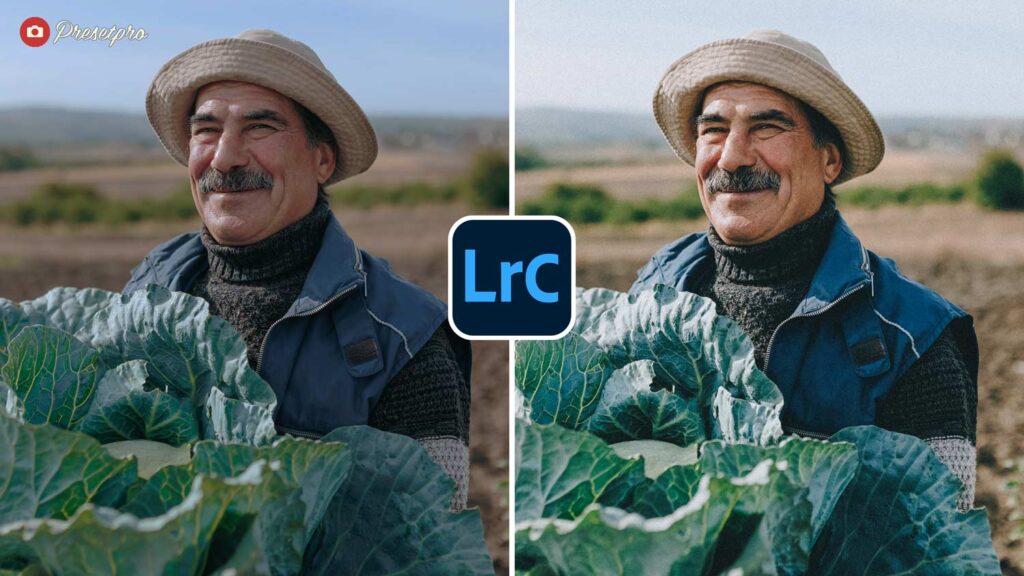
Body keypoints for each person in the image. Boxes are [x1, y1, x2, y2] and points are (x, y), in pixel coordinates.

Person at [124, 29, 472, 509]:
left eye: (260, 127)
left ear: (322, 159)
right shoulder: (149, 289)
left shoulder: (405, 339)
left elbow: (425, 541)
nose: (225, 158)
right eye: (206, 130)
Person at [632, 30, 978, 509]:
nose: (731, 156)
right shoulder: (654, 293)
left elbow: (936, 545)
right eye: (713, 129)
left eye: (767, 127)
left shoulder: (914, 339)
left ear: (829, 160)